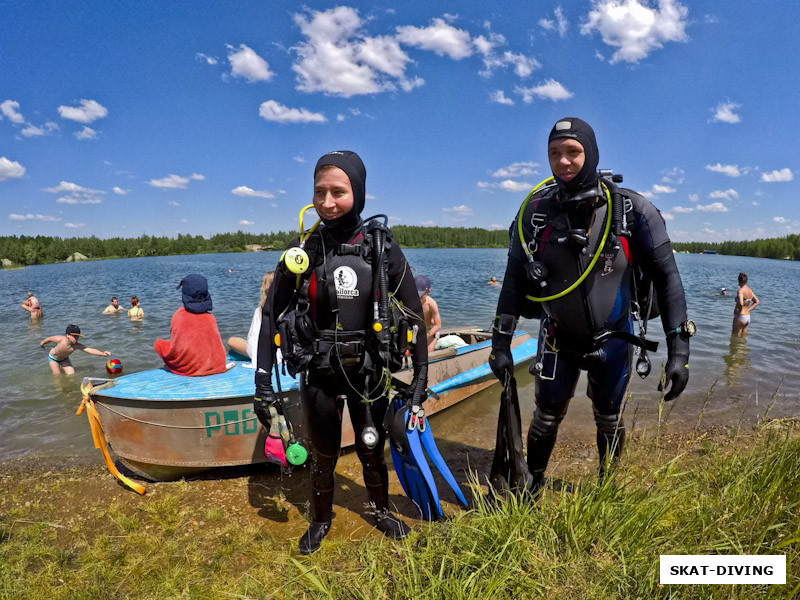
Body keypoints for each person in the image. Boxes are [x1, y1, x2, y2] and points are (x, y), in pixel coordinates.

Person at [489, 117, 693, 491]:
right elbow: (514, 281)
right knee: (545, 418)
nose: (563, 161)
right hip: (556, 339)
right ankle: (530, 488)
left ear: (592, 154)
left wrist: (679, 350)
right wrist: (499, 345)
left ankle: (607, 488)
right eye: (554, 153)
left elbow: (668, 279)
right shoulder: (534, 213)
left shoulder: (633, 211)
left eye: (573, 152)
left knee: (609, 418)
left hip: (614, 338)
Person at [254, 151, 429, 555]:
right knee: (323, 453)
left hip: (369, 371)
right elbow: (270, 315)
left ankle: (381, 510)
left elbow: (415, 317)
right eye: (319, 192)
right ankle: (320, 519)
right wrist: (263, 384)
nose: (327, 202)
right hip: (319, 371)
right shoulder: (302, 253)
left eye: (338, 191)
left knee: (372, 447)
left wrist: (420, 381)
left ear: (359, 192)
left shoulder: (380, 248)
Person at [154, 275, 227, 376]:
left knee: (159, 343)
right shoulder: (210, 318)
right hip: (216, 366)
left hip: (188, 368)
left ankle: (171, 367)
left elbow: (176, 345)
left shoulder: (178, 316)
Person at [228, 271, 275, 365]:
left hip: (259, 353)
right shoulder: (289, 309)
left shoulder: (260, 310)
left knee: (231, 341)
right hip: (281, 352)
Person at [40, 324, 110, 375]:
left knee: (72, 375)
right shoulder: (59, 339)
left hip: (64, 359)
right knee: (57, 376)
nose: (76, 338)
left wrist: (102, 354)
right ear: (67, 335)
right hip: (53, 358)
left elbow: (89, 350)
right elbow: (48, 339)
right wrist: (42, 344)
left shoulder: (76, 345)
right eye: (74, 336)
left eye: (78, 336)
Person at [415, 274, 441, 353]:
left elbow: (437, 325)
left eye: (420, 296)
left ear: (428, 291)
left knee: (427, 353)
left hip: (431, 330)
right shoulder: (412, 301)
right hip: (419, 329)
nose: (417, 298)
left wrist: (427, 335)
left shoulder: (431, 304)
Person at [732, 272, 759, 337]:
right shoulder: (750, 290)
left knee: (736, 336)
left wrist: (739, 311)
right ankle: (743, 347)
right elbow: (756, 302)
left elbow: (741, 303)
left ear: (738, 281)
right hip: (747, 317)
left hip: (740, 317)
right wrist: (749, 309)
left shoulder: (740, 290)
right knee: (743, 336)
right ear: (747, 281)